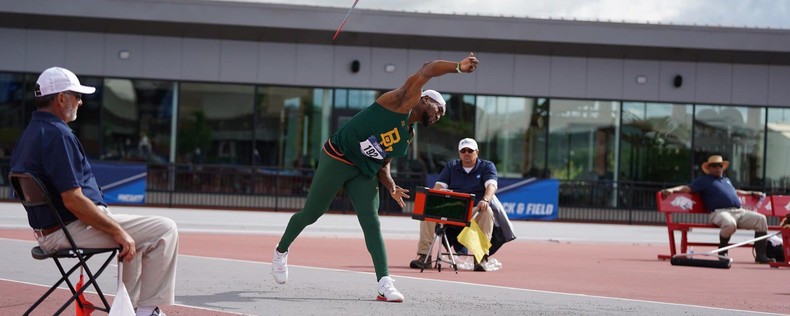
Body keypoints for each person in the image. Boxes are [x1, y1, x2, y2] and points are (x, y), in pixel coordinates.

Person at [271, 53, 480, 302]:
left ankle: (384, 283)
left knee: (372, 223)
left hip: (363, 171)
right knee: (312, 213)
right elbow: (428, 69)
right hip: (338, 157)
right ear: (424, 99)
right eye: (439, 110)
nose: (438, 116)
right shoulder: (400, 101)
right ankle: (281, 250)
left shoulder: (407, 137)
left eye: (442, 116)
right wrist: (458, 67)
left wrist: (391, 186)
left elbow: (383, 163)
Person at [9, 67, 179, 316]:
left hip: (54, 229)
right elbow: (73, 200)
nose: (81, 101)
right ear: (61, 98)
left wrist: (117, 230)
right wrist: (116, 230)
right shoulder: (57, 134)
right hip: (67, 230)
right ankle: (146, 311)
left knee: (137, 237)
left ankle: (129, 310)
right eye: (76, 95)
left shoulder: (31, 134)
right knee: (165, 229)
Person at [660, 155, 775, 264]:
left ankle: (761, 256)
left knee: (761, 219)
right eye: (715, 165)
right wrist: (672, 190)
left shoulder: (726, 180)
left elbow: (735, 191)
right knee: (730, 224)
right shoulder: (704, 180)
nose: (718, 168)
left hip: (738, 211)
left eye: (720, 165)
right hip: (720, 212)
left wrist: (751, 193)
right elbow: (687, 188)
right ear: (709, 168)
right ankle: (723, 251)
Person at [409, 138, 499, 271]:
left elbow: (491, 185)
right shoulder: (451, 166)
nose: (467, 153)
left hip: (474, 210)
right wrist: (439, 191)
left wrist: (485, 199)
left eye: (470, 150)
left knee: (487, 212)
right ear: (459, 153)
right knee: (427, 210)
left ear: (477, 152)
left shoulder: (487, 166)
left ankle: (479, 258)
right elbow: (439, 186)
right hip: (451, 209)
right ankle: (424, 256)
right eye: (463, 151)